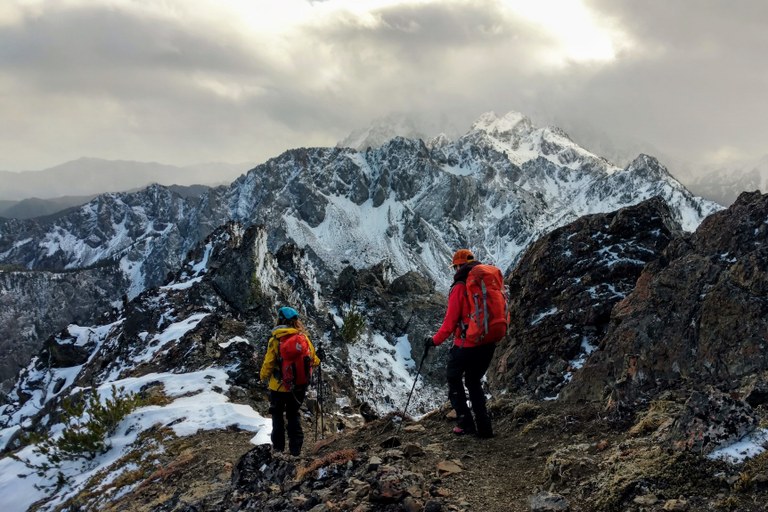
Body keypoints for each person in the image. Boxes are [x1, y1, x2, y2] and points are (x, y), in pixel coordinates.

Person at [425, 249, 496, 438]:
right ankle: (485, 428)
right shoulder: (485, 281)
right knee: (473, 382)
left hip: (467, 344)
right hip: (488, 342)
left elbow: (449, 323)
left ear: (458, 266)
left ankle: (465, 423)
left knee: (453, 379)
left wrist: (434, 341)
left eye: (455, 267)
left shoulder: (459, 286)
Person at [260, 306, 321, 455]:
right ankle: (296, 450)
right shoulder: (303, 338)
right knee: (293, 414)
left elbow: (269, 363)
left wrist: (262, 377)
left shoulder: (276, 339)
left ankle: (278, 449)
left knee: (277, 417)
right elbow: (314, 360)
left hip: (278, 387)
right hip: (299, 386)